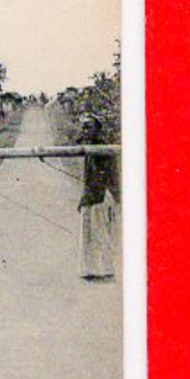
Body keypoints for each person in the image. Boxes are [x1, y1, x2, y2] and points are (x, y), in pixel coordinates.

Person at [77, 113, 120, 281]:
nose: (84, 130)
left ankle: (104, 269)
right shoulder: (89, 145)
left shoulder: (101, 147)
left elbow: (101, 177)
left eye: (88, 126)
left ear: (97, 130)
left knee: (100, 232)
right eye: (83, 126)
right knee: (88, 231)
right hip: (91, 194)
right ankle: (90, 269)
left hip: (100, 194)